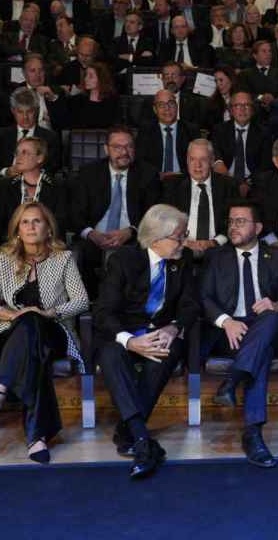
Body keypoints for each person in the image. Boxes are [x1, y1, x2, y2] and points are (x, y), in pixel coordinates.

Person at [0, 202, 89, 463]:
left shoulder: (63, 259)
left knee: (35, 322)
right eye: (24, 222)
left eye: (37, 221)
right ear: (17, 230)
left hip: (55, 331)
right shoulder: (4, 260)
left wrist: (49, 313)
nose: (30, 227)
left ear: (48, 228)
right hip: (13, 334)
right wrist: (13, 315)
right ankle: (36, 436)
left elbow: (81, 300)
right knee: (32, 342)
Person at [93, 204, 200, 479]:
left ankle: (128, 432)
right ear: (155, 239)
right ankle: (143, 440)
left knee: (166, 352)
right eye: (178, 236)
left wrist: (174, 328)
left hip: (162, 331)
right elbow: (103, 312)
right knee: (111, 355)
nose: (183, 242)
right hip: (124, 333)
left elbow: (190, 305)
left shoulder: (183, 258)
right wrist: (129, 342)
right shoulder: (123, 260)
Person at [199, 200, 278, 468]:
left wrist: (276, 305)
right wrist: (226, 321)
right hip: (229, 333)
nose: (233, 227)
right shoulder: (216, 257)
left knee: (270, 318)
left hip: (266, 326)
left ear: (258, 227)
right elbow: (203, 298)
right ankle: (253, 433)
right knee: (261, 353)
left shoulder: (276, 257)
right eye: (231, 221)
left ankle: (232, 381)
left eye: (241, 221)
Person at [71, 127, 162, 293]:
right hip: (95, 239)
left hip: (132, 239)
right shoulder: (89, 173)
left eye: (129, 146)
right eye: (117, 147)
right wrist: (91, 233)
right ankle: (89, 303)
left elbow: (153, 214)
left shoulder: (148, 174)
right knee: (82, 253)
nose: (124, 152)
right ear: (106, 149)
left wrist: (131, 231)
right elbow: (75, 214)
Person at [161, 139, 239, 257]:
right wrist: (182, 241)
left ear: (212, 161)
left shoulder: (228, 186)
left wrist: (214, 242)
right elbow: (163, 221)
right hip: (181, 250)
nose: (197, 165)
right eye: (192, 159)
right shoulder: (172, 186)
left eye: (203, 159)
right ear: (187, 161)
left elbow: (234, 222)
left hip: (218, 252)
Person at [0, 136, 68, 244]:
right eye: (17, 153)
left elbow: (59, 224)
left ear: (40, 158)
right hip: (12, 246)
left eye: (25, 153)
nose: (18, 157)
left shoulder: (57, 186)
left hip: (47, 246)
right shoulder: (5, 185)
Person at [44, 62, 121, 131]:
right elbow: (63, 122)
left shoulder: (112, 102)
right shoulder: (77, 101)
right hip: (79, 142)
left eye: (91, 76)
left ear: (101, 79)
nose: (86, 79)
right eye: (86, 75)